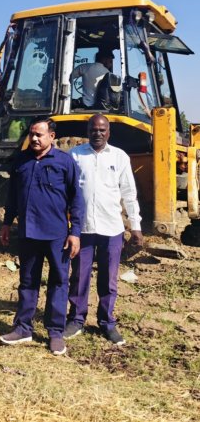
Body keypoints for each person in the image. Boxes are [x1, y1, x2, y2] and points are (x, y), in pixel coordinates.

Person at [0, 118, 84, 356]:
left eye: (39, 135)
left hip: (57, 235)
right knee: (28, 282)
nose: (34, 139)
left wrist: (75, 233)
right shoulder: (22, 160)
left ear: (52, 137)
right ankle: (23, 327)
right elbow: (13, 195)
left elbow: (76, 200)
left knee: (58, 282)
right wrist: (6, 223)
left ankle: (55, 332)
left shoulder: (65, 162)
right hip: (28, 232)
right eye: (32, 134)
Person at [66, 114, 142, 345]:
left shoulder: (119, 157)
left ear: (109, 132)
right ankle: (76, 319)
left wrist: (135, 226)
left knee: (108, 280)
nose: (97, 133)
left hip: (112, 228)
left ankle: (107, 322)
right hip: (83, 229)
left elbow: (129, 193)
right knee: (79, 276)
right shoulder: (75, 155)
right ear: (87, 131)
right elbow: (66, 192)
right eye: (93, 129)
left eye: (102, 130)